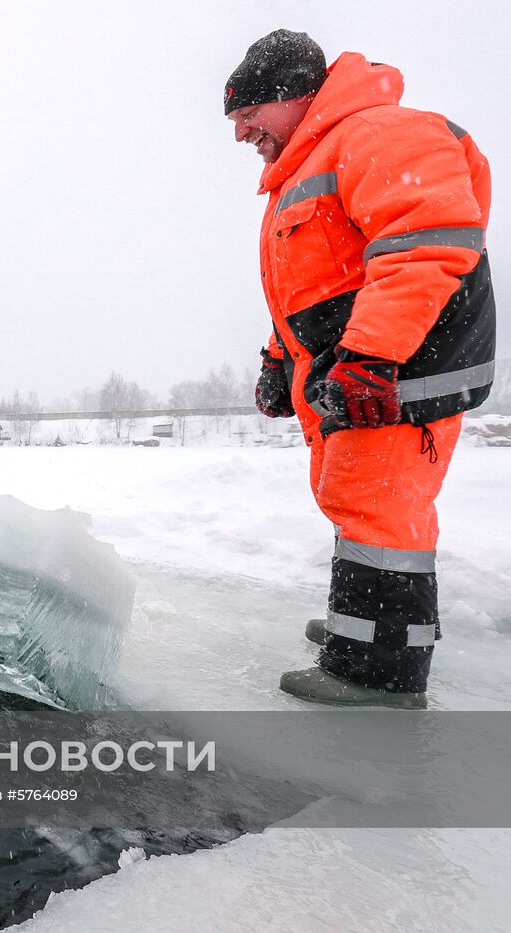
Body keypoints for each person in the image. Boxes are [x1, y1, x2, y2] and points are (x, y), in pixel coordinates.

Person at [225, 30, 496, 707]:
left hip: (400, 368)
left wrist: (373, 354)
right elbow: (316, 286)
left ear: (288, 96)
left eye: (246, 116)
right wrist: (278, 358)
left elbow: (423, 243)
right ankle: (369, 626)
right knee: (355, 494)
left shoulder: (378, 133)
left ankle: (379, 670)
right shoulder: (315, 163)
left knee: (378, 504)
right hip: (359, 369)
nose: (241, 136)